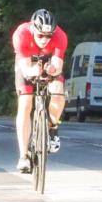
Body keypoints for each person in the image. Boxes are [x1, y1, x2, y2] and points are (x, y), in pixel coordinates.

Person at [12, 9, 67, 173]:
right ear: (33, 30)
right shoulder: (21, 35)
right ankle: (23, 157)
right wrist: (34, 71)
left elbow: (58, 65)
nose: (44, 39)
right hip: (27, 62)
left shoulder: (60, 36)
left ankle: (52, 126)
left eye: (48, 36)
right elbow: (26, 69)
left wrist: (52, 70)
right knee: (25, 102)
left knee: (57, 91)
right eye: (40, 35)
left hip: (49, 60)